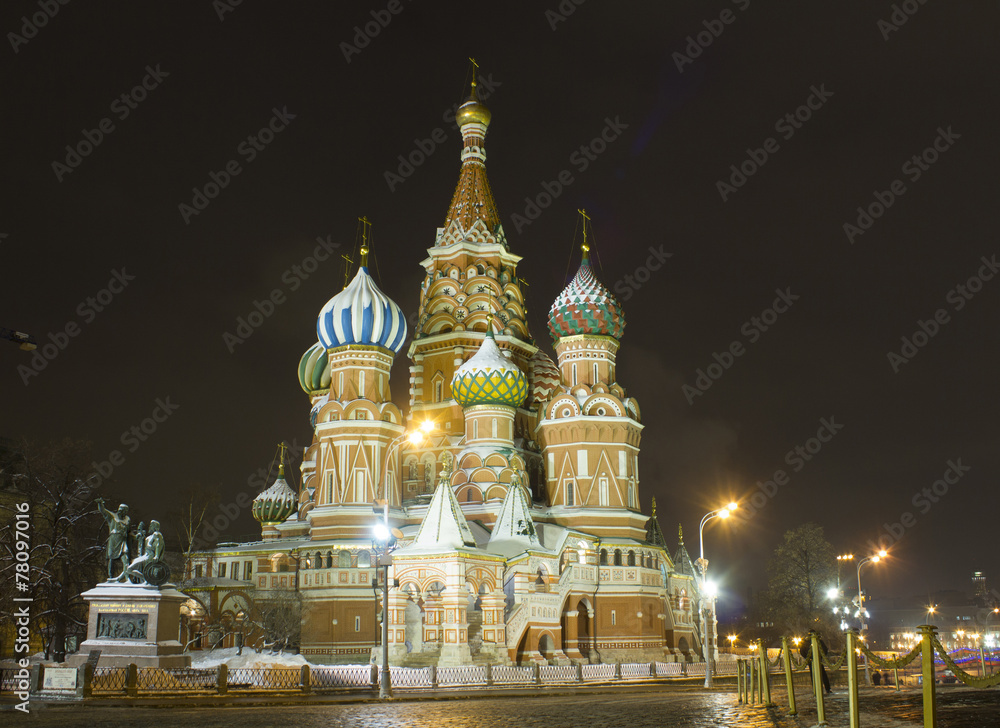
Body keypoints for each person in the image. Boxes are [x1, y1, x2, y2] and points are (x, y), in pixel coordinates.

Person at [95, 498, 131, 580]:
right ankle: (110, 576)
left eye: (126, 511)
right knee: (111, 558)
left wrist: (137, 536)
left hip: (122, 541)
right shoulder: (112, 517)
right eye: (124, 511)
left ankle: (127, 577)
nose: (125, 513)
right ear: (120, 510)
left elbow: (129, 532)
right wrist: (100, 503)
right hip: (114, 541)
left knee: (125, 557)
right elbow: (103, 511)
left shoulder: (127, 519)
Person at [800, 630, 832, 694]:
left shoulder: (805, 642)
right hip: (818, 659)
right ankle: (827, 688)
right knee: (823, 674)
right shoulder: (819, 641)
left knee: (813, 675)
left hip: (811, 660)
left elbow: (802, 651)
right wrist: (821, 656)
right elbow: (825, 650)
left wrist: (807, 658)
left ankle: (816, 689)